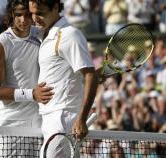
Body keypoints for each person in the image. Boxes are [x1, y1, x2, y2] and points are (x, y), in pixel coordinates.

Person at [29, 0, 99, 157]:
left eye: (40, 13)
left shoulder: (69, 35)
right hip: (49, 118)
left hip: (63, 118)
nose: (35, 18)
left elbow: (90, 75)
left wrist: (81, 118)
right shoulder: (43, 34)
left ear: (55, 8)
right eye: (32, 13)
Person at [0, 0, 53, 156]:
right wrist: (32, 94)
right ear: (11, 15)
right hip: (10, 123)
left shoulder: (41, 35)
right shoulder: (0, 44)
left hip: (38, 122)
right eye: (19, 15)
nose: (24, 20)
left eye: (28, 15)